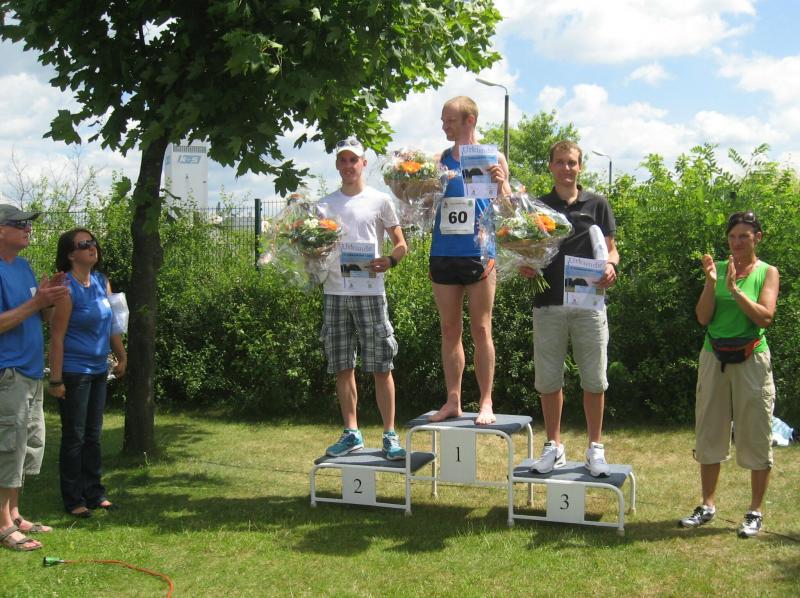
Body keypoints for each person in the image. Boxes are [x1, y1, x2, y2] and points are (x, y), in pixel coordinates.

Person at [521, 140, 619, 477]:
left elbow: (611, 250)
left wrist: (611, 267)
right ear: (550, 166)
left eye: (572, 162)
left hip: (589, 304)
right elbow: (526, 250)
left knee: (595, 379)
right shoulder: (537, 206)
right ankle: (554, 446)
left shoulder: (598, 204)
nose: (566, 168)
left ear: (580, 167)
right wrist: (525, 264)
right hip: (548, 303)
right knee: (548, 380)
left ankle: (595, 449)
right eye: (560, 162)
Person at [680, 211, 779, 538]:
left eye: (744, 237)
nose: (737, 243)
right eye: (733, 237)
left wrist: (735, 290)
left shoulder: (767, 272)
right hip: (714, 356)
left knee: (756, 431)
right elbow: (703, 317)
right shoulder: (718, 269)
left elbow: (765, 317)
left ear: (757, 238)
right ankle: (707, 505)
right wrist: (712, 283)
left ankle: (754, 511)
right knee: (709, 429)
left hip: (752, 358)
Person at [318, 137, 408, 460]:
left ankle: (390, 435)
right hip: (334, 292)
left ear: (364, 163)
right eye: (343, 160)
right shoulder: (323, 205)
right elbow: (316, 249)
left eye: (353, 160)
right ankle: (351, 432)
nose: (348, 166)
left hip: (370, 292)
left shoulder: (380, 200)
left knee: (381, 365)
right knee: (342, 365)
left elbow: (401, 244)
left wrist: (391, 260)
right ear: (337, 164)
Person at [428, 96, 511, 425]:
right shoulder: (439, 160)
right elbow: (419, 202)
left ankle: (486, 401)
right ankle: (453, 400)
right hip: (443, 252)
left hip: (479, 254)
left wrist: (501, 184)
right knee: (449, 329)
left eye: (449, 120)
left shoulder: (494, 158)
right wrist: (410, 183)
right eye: (443, 120)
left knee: (481, 328)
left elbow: (508, 211)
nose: (444, 126)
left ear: (469, 121)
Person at [0, 204, 69, 552]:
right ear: (0, 230)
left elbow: (39, 317)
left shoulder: (24, 266)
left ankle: (14, 514)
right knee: (6, 448)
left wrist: (48, 297)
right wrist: (37, 302)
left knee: (25, 446)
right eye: (20, 224)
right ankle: (2, 526)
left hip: (29, 371)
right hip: (7, 372)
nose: (28, 228)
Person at [48, 229, 127, 518]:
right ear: (71, 254)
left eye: (93, 242)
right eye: (84, 244)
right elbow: (57, 336)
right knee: (75, 436)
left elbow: (112, 324)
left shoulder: (101, 282)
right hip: (74, 371)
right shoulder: (65, 287)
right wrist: (56, 380)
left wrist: (122, 355)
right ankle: (74, 500)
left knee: (93, 435)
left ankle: (95, 493)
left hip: (98, 370)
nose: (92, 247)